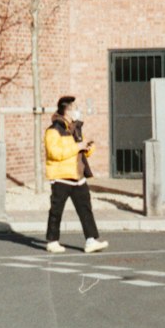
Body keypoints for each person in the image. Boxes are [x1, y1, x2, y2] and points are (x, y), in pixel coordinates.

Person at [44, 95, 108, 254]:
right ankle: (52, 241)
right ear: (67, 110)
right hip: (61, 177)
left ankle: (91, 240)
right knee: (56, 210)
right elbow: (54, 153)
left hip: (78, 176)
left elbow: (83, 150)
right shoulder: (53, 131)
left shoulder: (76, 128)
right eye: (74, 108)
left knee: (85, 208)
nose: (77, 111)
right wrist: (77, 147)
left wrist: (88, 147)